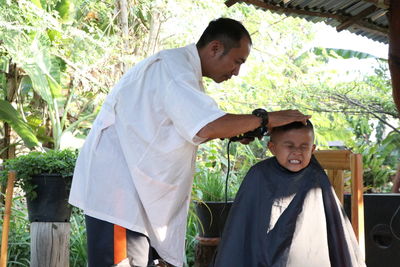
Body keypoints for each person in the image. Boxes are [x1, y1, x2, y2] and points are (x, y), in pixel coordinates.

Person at [68, 17, 310, 267]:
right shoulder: (173, 70)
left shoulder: (180, 71)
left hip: (135, 193)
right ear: (215, 48)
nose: (237, 72)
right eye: (237, 61)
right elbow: (207, 125)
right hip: (119, 196)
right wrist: (265, 119)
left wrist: (242, 129)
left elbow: (186, 130)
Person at [212, 120, 366, 267]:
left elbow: (321, 232)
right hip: (261, 252)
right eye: (289, 146)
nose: (297, 152)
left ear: (313, 150)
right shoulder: (259, 175)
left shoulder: (315, 177)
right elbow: (243, 229)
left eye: (304, 147)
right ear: (272, 147)